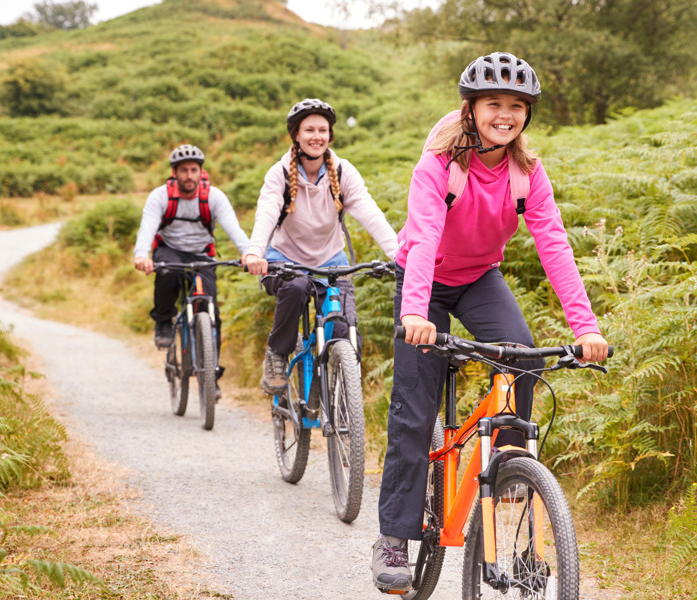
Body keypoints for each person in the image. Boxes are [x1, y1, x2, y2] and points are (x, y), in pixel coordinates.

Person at [371, 52, 610, 592]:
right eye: (493, 104)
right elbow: (425, 234)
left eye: (516, 106)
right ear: (471, 108)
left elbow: (554, 246)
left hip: (479, 277)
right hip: (423, 280)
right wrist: (414, 312)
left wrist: (585, 326)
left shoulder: (526, 172)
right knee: (413, 411)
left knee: (522, 355)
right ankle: (394, 536)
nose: (505, 114)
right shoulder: (438, 165)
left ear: (527, 114)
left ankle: (507, 474)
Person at [243, 98, 398, 395]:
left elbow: (369, 212)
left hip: (331, 260)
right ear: (296, 136)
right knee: (298, 287)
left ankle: (339, 396)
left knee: (346, 332)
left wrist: (399, 253)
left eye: (323, 130)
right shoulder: (279, 174)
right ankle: (277, 354)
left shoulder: (343, 172)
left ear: (330, 135)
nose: (317, 136)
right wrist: (254, 252)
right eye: (309, 130)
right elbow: (266, 212)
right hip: (285, 258)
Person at [133, 144, 249, 372]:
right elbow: (147, 228)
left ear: (201, 172)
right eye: (184, 170)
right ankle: (164, 321)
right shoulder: (160, 196)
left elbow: (233, 228)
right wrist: (141, 255)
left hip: (201, 253)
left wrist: (248, 252)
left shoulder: (214, 196)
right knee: (167, 272)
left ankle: (211, 373)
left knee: (211, 309)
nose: (189, 175)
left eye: (194, 170)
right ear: (174, 173)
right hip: (170, 249)